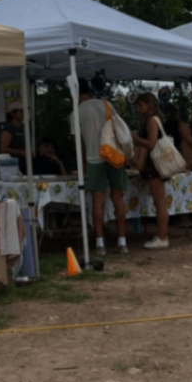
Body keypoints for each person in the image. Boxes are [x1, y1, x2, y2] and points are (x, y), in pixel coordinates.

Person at [77, 78, 129, 256]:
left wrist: (82, 166)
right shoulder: (106, 104)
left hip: (94, 159)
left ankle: (100, 243)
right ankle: (122, 242)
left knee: (97, 201)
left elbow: (78, 144)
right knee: (118, 198)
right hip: (113, 155)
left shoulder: (77, 112)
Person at [132, 91, 171, 250]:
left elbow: (151, 143)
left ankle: (163, 237)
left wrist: (134, 138)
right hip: (153, 165)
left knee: (159, 202)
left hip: (153, 166)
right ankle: (161, 235)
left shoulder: (151, 121)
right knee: (159, 201)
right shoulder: (156, 119)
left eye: (141, 105)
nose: (139, 108)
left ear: (148, 105)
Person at [0, 103, 28, 169]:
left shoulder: (24, 127)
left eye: (23, 111)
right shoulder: (8, 128)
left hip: (24, 164)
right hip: (11, 165)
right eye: (20, 111)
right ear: (13, 113)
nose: (23, 113)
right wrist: (21, 152)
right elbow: (3, 149)